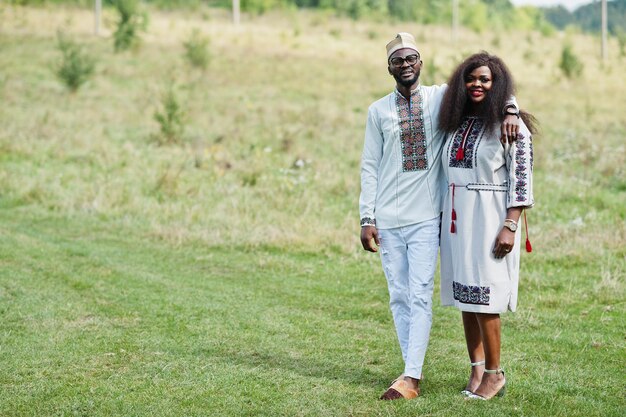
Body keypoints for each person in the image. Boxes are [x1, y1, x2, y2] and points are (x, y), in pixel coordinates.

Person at [359, 34, 520, 400]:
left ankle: (411, 377)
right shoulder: (378, 111)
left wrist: (510, 109)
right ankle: (409, 368)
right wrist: (366, 217)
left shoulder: (439, 98)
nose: (405, 64)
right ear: (389, 67)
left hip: (426, 218)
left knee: (418, 294)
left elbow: (487, 82)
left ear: (421, 61)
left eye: (411, 57)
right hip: (386, 218)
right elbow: (369, 166)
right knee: (398, 296)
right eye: (398, 60)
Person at [438, 52, 537, 400]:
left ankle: (495, 374)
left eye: (485, 80)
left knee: (487, 296)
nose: (476, 85)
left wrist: (511, 225)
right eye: (471, 79)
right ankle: (477, 368)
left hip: (492, 216)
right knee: (467, 294)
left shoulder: (512, 126)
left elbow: (521, 180)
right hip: (457, 217)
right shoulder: (458, 120)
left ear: (497, 86)